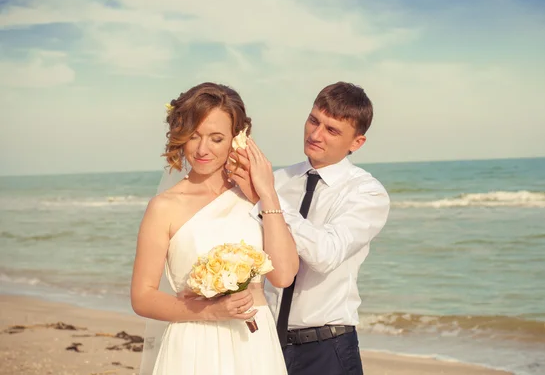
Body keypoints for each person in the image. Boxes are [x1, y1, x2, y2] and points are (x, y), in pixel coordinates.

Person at [131, 82, 297, 375]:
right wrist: (211, 312)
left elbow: (283, 275)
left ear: (238, 137)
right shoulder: (164, 206)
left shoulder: (255, 199)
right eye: (194, 136)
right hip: (194, 343)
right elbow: (142, 297)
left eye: (216, 138)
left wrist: (267, 193)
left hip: (254, 343)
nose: (202, 149)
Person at [228, 81, 391, 375]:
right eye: (313, 120)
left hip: (326, 349)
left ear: (357, 143)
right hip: (262, 340)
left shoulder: (368, 193)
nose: (315, 134)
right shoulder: (276, 180)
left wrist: (268, 201)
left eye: (332, 130)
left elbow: (326, 253)